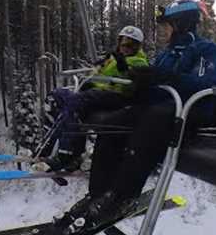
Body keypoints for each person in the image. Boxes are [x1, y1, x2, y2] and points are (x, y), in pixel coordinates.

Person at [54, 0, 216, 230]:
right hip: (161, 109)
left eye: (167, 25)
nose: (163, 31)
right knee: (114, 123)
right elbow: (153, 85)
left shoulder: (205, 49)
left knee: (151, 120)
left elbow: (208, 84)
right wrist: (139, 86)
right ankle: (98, 194)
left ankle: (122, 196)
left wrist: (165, 78)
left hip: (190, 112)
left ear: (182, 24)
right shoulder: (167, 54)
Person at [36, 25, 148, 172]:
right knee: (57, 96)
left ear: (137, 47)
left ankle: (67, 154)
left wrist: (124, 68)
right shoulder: (113, 58)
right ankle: (49, 145)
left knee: (75, 102)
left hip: (117, 96)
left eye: (130, 44)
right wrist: (97, 71)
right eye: (123, 42)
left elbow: (134, 79)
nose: (125, 47)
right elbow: (98, 74)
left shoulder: (139, 62)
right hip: (99, 92)